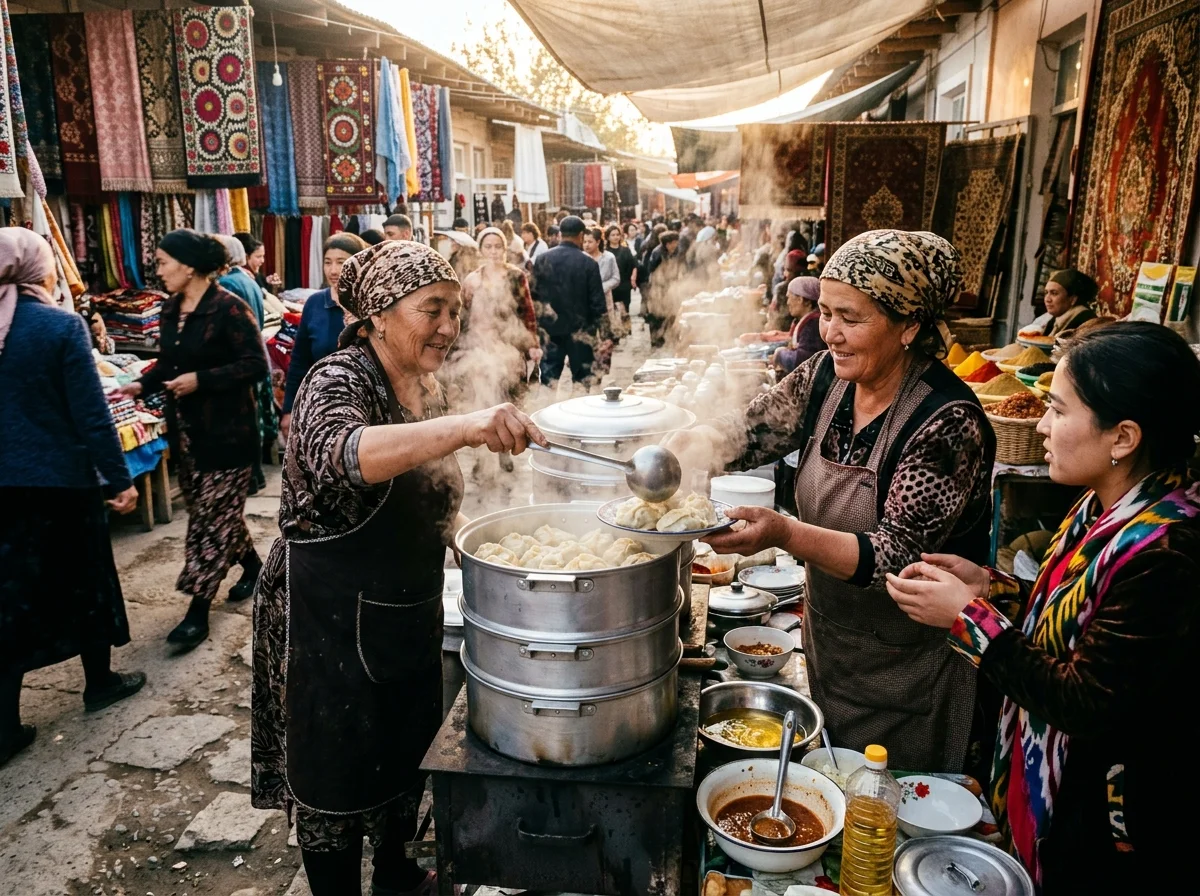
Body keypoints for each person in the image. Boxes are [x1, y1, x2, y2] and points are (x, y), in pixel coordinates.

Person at [250, 240, 546, 896]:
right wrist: (467, 426)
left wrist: (484, 546)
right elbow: (341, 454)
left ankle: (397, 876)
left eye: (455, 311)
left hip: (405, 610)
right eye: (431, 310)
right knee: (336, 773)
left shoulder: (425, 386)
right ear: (379, 316)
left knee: (401, 750)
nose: (447, 326)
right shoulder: (339, 378)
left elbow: (432, 492)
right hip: (326, 623)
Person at [885, 322, 1200, 893]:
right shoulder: (1108, 507)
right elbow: (1077, 617)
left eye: (1058, 410)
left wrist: (970, 621)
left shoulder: (1167, 553)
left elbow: (1084, 700)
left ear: (1123, 437)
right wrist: (992, 587)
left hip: (1106, 820)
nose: (1040, 425)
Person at [667, 230, 995, 773]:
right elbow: (753, 430)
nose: (831, 332)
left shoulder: (948, 422)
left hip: (909, 675)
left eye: (851, 318)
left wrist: (784, 533)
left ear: (909, 326)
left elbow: (894, 557)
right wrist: (689, 440)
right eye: (824, 312)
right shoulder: (825, 377)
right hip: (831, 646)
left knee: (880, 805)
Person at [0, 229, 145, 768]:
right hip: (62, 484)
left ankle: (5, 726)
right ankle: (99, 681)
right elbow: (91, 415)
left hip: (5, 490)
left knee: (10, 597)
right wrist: (119, 480)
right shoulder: (59, 327)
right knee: (85, 580)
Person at [120, 230, 269, 650]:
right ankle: (255, 567)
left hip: (228, 434)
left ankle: (197, 612)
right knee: (216, 513)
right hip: (187, 434)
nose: (159, 270)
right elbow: (169, 363)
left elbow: (255, 365)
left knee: (208, 521)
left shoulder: (229, 308)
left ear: (188, 266)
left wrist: (201, 380)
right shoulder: (171, 308)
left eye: (163, 262)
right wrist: (141, 385)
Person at [281, 233, 369, 441]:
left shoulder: (370, 304)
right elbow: (299, 361)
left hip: (366, 406)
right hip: (320, 408)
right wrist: (289, 410)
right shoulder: (315, 303)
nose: (333, 270)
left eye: (341, 262)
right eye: (328, 262)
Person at [454, 227, 540, 406]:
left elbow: (527, 312)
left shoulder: (516, 276)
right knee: (483, 398)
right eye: (488, 247)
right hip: (479, 347)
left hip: (511, 348)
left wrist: (533, 344)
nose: (493, 251)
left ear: (504, 249)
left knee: (513, 397)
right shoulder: (472, 280)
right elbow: (463, 316)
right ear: (480, 250)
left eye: (498, 246)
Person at [217, 236, 274, 494]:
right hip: (250, 355)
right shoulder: (247, 280)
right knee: (251, 420)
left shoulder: (227, 283)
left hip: (238, 359)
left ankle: (248, 479)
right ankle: (256, 476)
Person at [531, 215, 606, 386]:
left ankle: (547, 404)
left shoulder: (542, 259)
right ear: (581, 235)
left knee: (548, 382)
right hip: (581, 333)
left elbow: (534, 297)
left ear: (560, 234)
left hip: (550, 331)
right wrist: (603, 335)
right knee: (582, 383)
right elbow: (598, 304)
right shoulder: (589, 263)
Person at [771, 276, 824, 376]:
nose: (787, 303)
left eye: (789, 297)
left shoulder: (813, 324)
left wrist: (780, 354)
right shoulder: (806, 321)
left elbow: (800, 361)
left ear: (800, 299)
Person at [1040, 268, 1097, 337]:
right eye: (1046, 293)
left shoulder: (1086, 322)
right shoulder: (1054, 320)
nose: (1047, 299)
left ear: (1072, 299)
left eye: (1054, 293)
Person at [606, 224, 637, 317]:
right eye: (613, 235)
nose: (616, 237)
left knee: (625, 312)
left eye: (617, 234)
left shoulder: (625, 250)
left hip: (625, 284)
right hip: (611, 287)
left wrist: (633, 278)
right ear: (608, 237)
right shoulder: (605, 252)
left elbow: (634, 265)